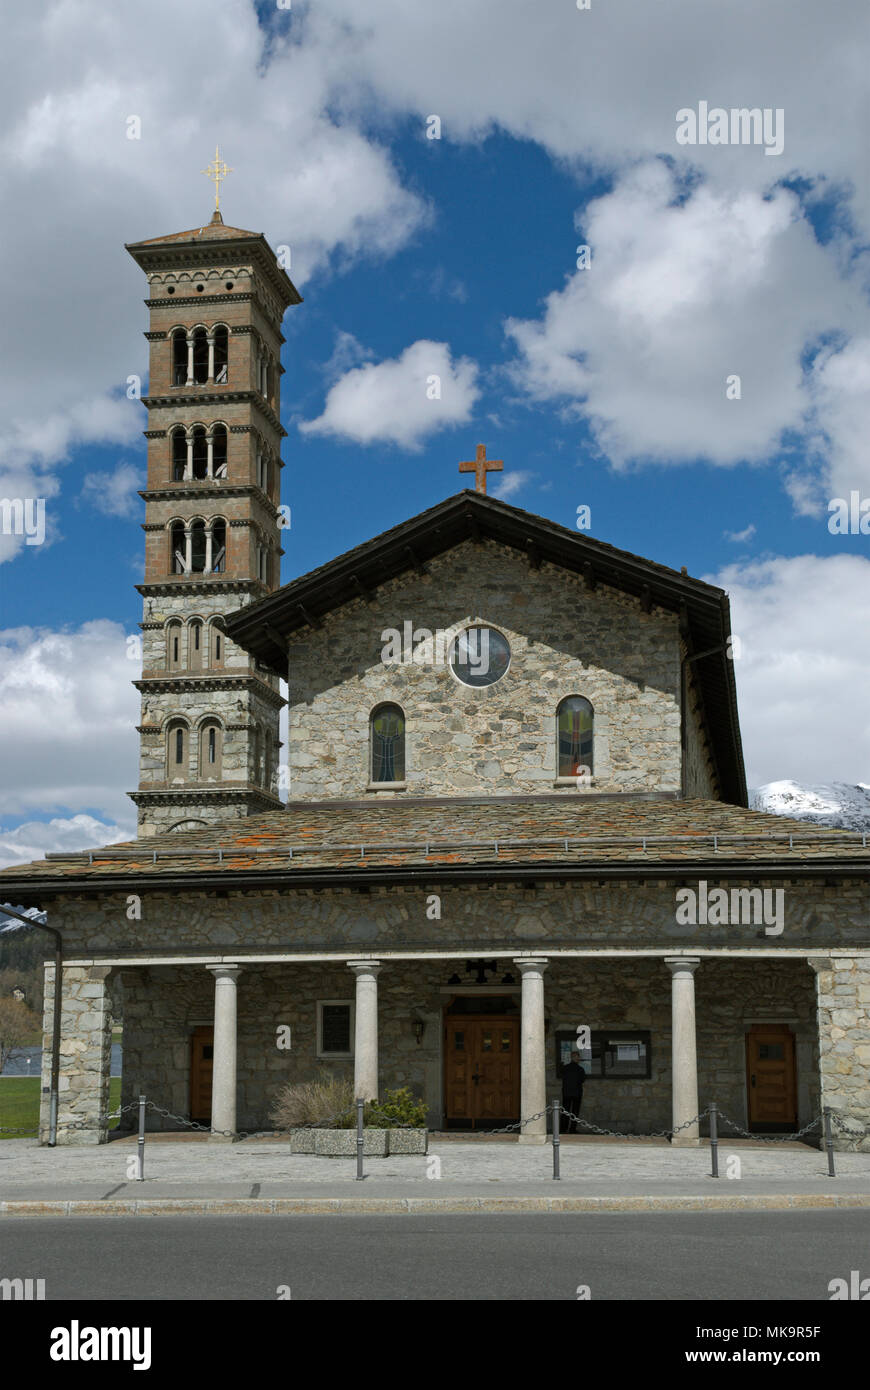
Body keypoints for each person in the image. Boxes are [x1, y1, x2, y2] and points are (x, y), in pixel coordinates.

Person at [561, 1050, 587, 1134]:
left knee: (565, 1111)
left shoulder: (565, 1068)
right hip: (576, 1093)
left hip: (566, 1093)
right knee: (575, 1112)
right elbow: (582, 1080)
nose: (578, 1058)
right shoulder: (580, 1069)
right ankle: (572, 1129)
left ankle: (563, 1129)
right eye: (577, 1057)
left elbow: (562, 1077)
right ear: (576, 1058)